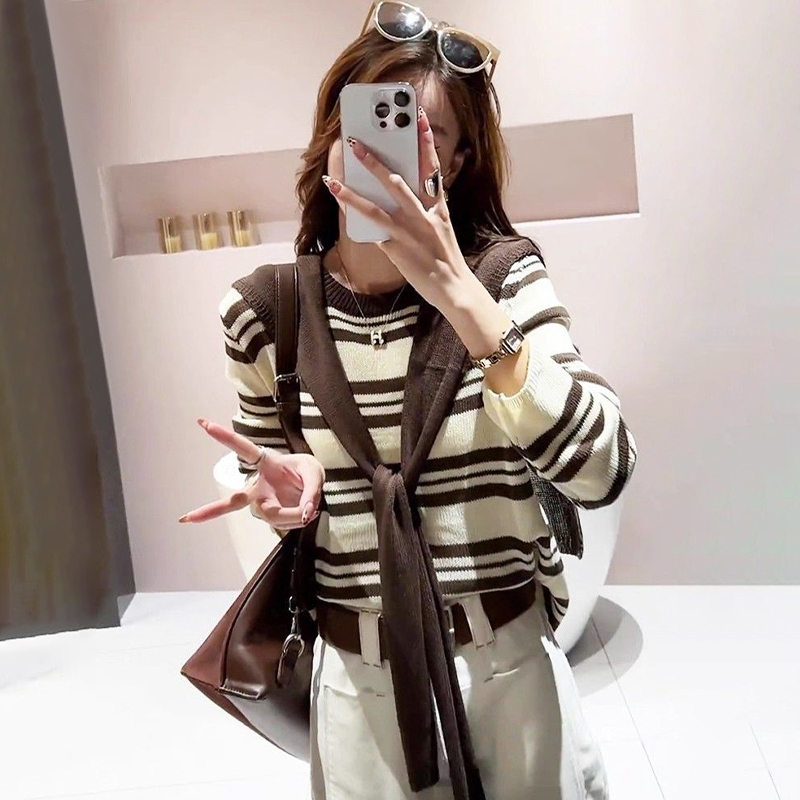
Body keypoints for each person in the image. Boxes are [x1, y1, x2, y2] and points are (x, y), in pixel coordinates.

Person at [181, 2, 638, 798]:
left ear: (455, 162)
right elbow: (272, 476)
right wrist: (285, 494)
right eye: (369, 124)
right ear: (331, 134)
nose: (382, 154)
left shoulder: (504, 282)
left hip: (508, 671)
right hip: (356, 686)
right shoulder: (265, 312)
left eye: (423, 136)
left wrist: (462, 298)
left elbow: (602, 468)